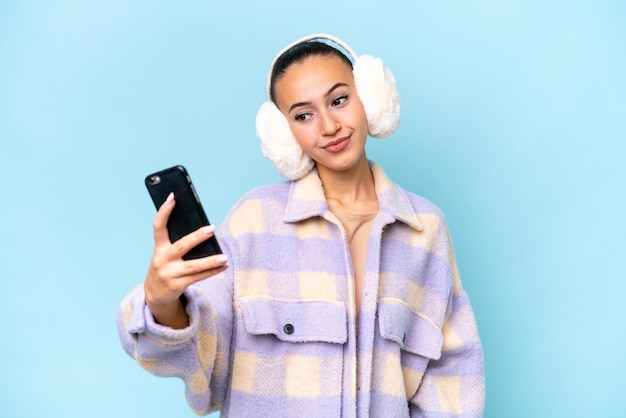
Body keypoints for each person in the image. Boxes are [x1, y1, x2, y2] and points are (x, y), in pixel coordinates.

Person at [117, 34, 485, 417]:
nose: (328, 126)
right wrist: (161, 302)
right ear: (283, 134)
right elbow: (201, 343)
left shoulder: (425, 228)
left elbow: (453, 377)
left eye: (339, 100)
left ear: (371, 98)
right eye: (303, 115)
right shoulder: (255, 219)